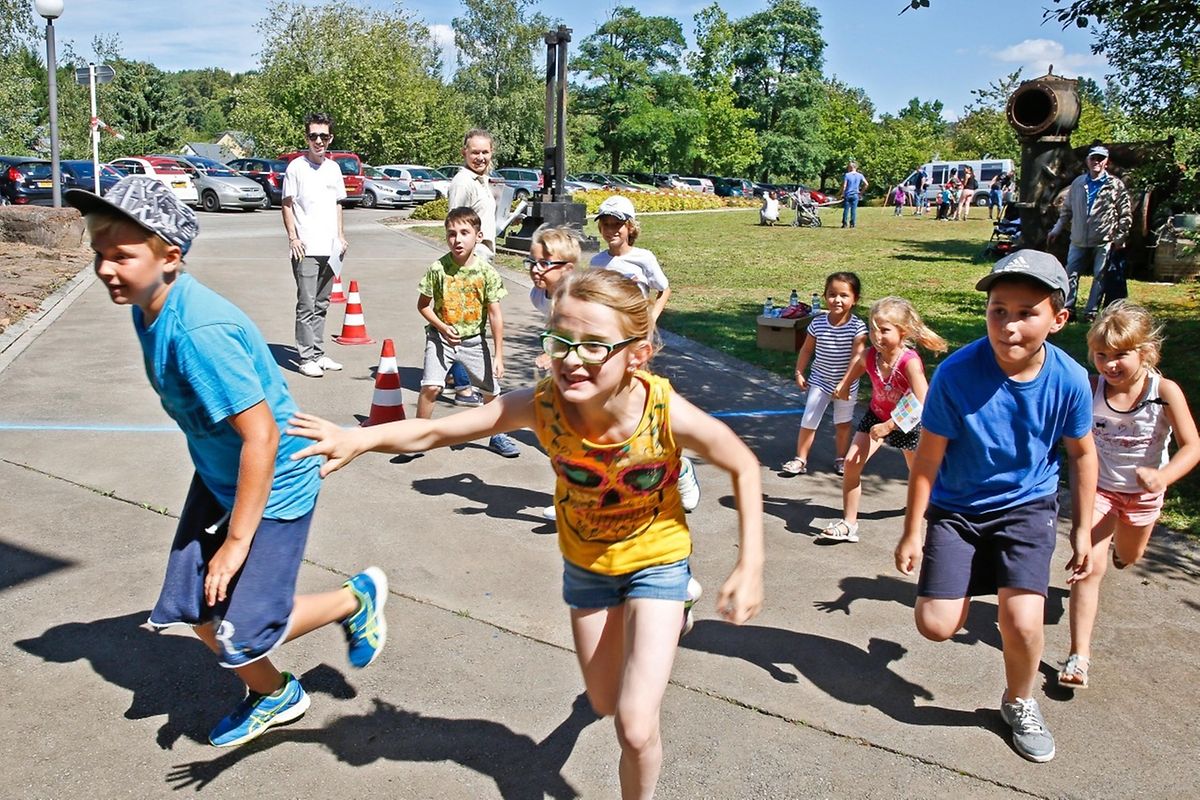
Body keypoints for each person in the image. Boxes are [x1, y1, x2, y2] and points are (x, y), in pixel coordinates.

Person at [287, 268, 765, 800]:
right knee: (603, 701)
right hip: (588, 569)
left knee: (632, 725)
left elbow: (743, 463)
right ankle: (660, 623)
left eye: (594, 346)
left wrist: (750, 566)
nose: (571, 359)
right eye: (560, 341)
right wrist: (359, 437)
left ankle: (671, 615)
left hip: (657, 559)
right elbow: (436, 429)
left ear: (637, 354)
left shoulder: (663, 410)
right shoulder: (542, 406)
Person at [66, 175, 388, 748]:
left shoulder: (197, 331)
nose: (106, 269)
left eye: (121, 255)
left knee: (242, 631)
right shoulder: (148, 307)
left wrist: (237, 542)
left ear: (170, 257)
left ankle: (353, 598)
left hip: (275, 484)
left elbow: (261, 435)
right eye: (99, 254)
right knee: (198, 609)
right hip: (221, 477)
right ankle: (276, 694)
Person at [895, 250, 1097, 763]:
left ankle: (1020, 701)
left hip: (1027, 506)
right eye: (998, 310)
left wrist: (1082, 533)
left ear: (1058, 318)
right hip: (958, 509)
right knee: (936, 625)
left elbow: (1082, 454)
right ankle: (973, 577)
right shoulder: (957, 373)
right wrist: (913, 529)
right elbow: (928, 459)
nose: (1009, 325)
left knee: (1023, 619)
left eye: (1026, 312)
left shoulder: (1070, 380)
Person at [1057, 302, 1199, 689]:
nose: (1110, 365)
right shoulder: (1091, 388)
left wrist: (1162, 476)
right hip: (1100, 491)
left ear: (1146, 352)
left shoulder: (1164, 391)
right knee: (1089, 566)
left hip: (1143, 497)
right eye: (1101, 355)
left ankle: (1123, 550)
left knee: (1129, 557)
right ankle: (1078, 657)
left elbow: (1192, 446)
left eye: (1121, 355)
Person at [589, 195, 702, 511]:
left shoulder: (643, 258)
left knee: (644, 405)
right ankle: (612, 483)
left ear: (629, 227)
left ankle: (680, 470)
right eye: (606, 223)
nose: (611, 229)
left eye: (617, 224)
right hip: (608, 344)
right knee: (611, 409)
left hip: (636, 341)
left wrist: (652, 317)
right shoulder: (597, 263)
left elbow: (663, 288)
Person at [820, 298, 947, 542]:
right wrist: (844, 385)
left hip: (908, 421)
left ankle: (934, 509)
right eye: (873, 329)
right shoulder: (871, 355)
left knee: (918, 472)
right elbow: (857, 364)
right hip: (877, 415)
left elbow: (924, 401)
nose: (877, 336)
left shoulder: (909, 362)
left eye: (885, 330)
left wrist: (890, 425)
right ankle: (849, 524)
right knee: (851, 462)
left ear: (903, 332)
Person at [416, 206, 518, 457]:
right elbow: (422, 306)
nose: (457, 239)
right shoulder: (438, 269)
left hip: (473, 342)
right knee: (430, 387)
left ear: (478, 236)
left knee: (491, 392)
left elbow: (495, 314)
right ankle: (417, 437)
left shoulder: (486, 273)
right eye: (451, 234)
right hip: (439, 339)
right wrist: (441, 327)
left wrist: (499, 355)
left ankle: (498, 435)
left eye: (464, 232)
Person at [782, 272, 868, 477]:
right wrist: (799, 371)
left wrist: (845, 383)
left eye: (844, 295)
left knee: (843, 423)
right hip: (820, 380)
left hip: (847, 383)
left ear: (855, 299)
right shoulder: (818, 323)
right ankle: (800, 459)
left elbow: (858, 359)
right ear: (825, 296)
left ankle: (841, 458)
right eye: (832, 294)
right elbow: (806, 350)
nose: (837, 300)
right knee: (809, 418)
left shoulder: (858, 327)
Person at [281, 111, 347, 379]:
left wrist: (341, 236)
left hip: (330, 247)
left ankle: (318, 353)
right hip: (305, 248)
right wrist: (293, 238)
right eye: (313, 136)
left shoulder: (334, 168)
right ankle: (305, 357)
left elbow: (338, 203)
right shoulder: (296, 167)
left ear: (330, 138)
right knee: (306, 303)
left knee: (322, 303)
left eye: (324, 136)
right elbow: (286, 204)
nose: (318, 141)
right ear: (307, 138)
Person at [1047, 145, 1133, 323]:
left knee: (1099, 276)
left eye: (1101, 159)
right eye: (1093, 158)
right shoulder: (1078, 183)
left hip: (1103, 240)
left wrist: (1120, 237)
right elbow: (1066, 211)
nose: (1097, 162)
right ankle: (1068, 308)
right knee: (1070, 273)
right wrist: (1056, 229)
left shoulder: (1115, 185)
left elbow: (1125, 213)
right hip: (1078, 239)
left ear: (1106, 162)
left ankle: (1091, 312)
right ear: (1087, 161)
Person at [447, 128, 499, 259]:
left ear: (491, 153)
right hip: (471, 258)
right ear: (464, 153)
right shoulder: (463, 182)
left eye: (485, 152)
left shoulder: (482, 180)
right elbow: (455, 226)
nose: (480, 158)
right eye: (475, 153)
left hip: (483, 256)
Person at [841, 161, 868, 229]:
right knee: (854, 210)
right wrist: (861, 193)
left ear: (851, 167)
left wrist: (843, 193)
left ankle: (844, 224)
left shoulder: (847, 175)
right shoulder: (860, 175)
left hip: (848, 194)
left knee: (846, 209)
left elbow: (844, 185)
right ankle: (852, 224)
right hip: (855, 194)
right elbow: (866, 184)